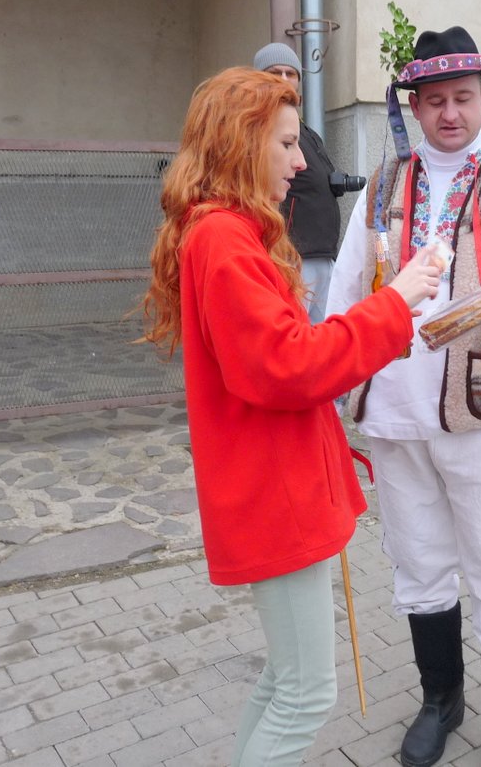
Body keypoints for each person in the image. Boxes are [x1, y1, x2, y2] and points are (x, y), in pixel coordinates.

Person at [142, 67, 441, 767]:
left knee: (285, 682)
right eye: (284, 144)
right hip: (271, 490)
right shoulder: (223, 239)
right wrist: (394, 302)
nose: (301, 162)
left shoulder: (227, 233)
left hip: (270, 481)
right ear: (240, 145)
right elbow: (290, 366)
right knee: (305, 694)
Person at [326, 26, 481, 767]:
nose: (450, 114)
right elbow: (345, 288)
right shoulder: (383, 185)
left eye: (463, 98)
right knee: (419, 563)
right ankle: (441, 701)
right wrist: (329, 381)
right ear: (416, 105)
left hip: (480, 410)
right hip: (392, 411)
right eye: (434, 101)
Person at [253, 42, 353, 321]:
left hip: (321, 251)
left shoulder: (305, 130)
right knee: (297, 332)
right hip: (291, 255)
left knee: (324, 332)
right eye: (275, 72)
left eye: (291, 73)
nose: (284, 80)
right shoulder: (256, 128)